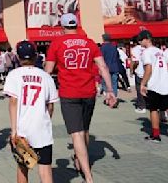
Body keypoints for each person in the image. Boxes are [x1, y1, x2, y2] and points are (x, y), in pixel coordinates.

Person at [44, 13, 116, 183]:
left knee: (77, 134)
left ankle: (88, 176)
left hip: (69, 93)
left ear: (62, 26)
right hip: (88, 92)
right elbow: (102, 66)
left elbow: (48, 71)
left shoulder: (57, 43)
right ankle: (79, 159)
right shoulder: (90, 42)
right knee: (84, 129)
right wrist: (110, 90)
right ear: (76, 25)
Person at [4, 40, 59, 183]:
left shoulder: (14, 75)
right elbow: (51, 106)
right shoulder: (46, 77)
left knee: (23, 167)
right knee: (45, 169)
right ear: (35, 56)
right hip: (42, 129)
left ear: (17, 57)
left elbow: (13, 102)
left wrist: (14, 130)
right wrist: (46, 120)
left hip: (23, 129)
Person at [138, 30, 168, 143]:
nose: (139, 42)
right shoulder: (160, 51)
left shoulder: (146, 52)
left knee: (153, 109)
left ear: (146, 39)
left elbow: (148, 69)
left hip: (154, 85)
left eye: (140, 39)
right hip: (165, 84)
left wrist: (143, 84)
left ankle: (155, 135)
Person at [100, 34, 120, 107]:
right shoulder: (114, 47)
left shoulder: (103, 47)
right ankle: (114, 98)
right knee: (114, 84)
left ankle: (108, 99)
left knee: (105, 83)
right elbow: (117, 57)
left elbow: (101, 58)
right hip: (114, 67)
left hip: (106, 68)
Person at [130, 36, 147, 113]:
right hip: (149, 72)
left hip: (140, 72)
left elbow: (135, 61)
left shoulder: (134, 49)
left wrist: (131, 70)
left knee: (139, 89)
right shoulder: (147, 48)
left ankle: (142, 106)